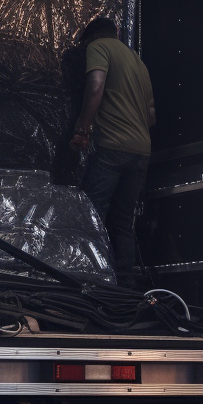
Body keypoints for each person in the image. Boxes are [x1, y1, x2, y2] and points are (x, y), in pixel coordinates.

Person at [69, 16, 155, 284]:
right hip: (141, 151)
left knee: (90, 214)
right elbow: (151, 115)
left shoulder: (99, 48)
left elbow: (95, 86)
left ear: (91, 38)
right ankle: (126, 290)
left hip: (112, 147)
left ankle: (92, 282)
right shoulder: (138, 62)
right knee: (122, 221)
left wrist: (82, 129)